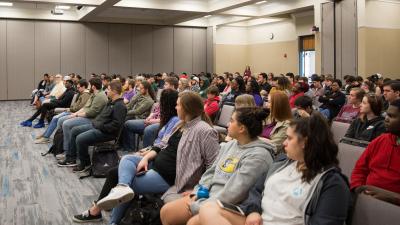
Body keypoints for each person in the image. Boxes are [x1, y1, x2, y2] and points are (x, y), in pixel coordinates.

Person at [192, 113, 351, 225]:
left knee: (201, 216)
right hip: (261, 219)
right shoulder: (282, 162)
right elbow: (256, 190)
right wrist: (254, 211)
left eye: (289, 138)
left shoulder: (332, 183)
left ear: (305, 142)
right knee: (204, 213)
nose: (284, 143)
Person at [160, 107, 274, 225]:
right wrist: (199, 192)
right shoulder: (230, 145)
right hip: (208, 197)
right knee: (166, 212)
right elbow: (211, 172)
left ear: (241, 128)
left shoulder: (259, 156)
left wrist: (201, 205)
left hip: (226, 206)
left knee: (193, 223)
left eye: (232, 120)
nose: (228, 124)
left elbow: (235, 192)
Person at [68, 80, 127, 173]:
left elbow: (115, 125)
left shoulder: (120, 106)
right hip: (98, 127)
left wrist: (99, 125)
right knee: (75, 130)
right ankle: (71, 158)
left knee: (80, 138)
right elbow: (101, 116)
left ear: (114, 91)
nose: (106, 91)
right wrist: (96, 123)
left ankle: (85, 163)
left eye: (108, 89)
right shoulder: (111, 102)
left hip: (106, 133)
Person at [351, 99, 400, 196]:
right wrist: (358, 188)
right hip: (365, 198)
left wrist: (393, 199)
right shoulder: (380, 140)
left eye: (391, 116)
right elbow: (359, 170)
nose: (386, 119)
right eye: (386, 114)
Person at [57, 78, 108, 167]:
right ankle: (69, 151)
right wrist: (75, 114)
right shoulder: (94, 94)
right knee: (66, 121)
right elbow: (85, 107)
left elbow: (91, 113)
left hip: (92, 119)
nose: (88, 87)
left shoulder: (100, 96)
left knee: (67, 124)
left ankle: (68, 152)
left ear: (93, 86)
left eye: (89, 85)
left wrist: (76, 115)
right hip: (87, 116)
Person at [34, 79, 91, 144]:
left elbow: (79, 107)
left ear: (83, 87)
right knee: (54, 118)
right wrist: (70, 108)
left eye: (78, 87)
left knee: (56, 118)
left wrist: (70, 109)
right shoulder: (81, 93)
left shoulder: (85, 94)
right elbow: (75, 105)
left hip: (74, 112)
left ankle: (47, 137)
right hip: (71, 110)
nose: (77, 89)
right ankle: (45, 135)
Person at [121, 85, 173, 152]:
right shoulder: (141, 96)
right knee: (127, 123)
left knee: (148, 129)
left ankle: (146, 152)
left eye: (166, 84)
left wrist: (151, 121)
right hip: (149, 119)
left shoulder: (149, 100)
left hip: (159, 122)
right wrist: (149, 117)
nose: (139, 89)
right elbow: (154, 111)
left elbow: (138, 111)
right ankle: (129, 149)